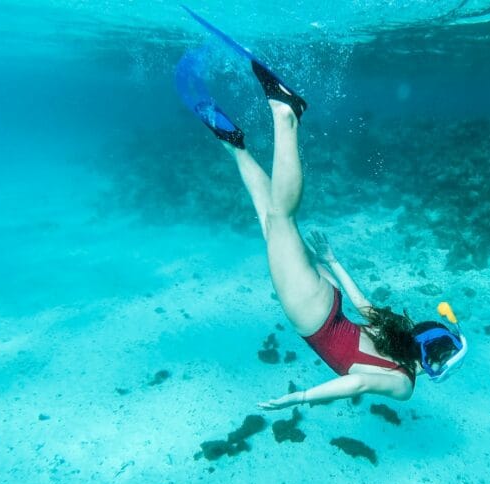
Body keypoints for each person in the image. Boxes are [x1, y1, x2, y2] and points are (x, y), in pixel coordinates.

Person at [176, 19, 467, 410]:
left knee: (271, 223)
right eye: (444, 360)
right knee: (280, 219)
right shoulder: (403, 384)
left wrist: (331, 261)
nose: (441, 368)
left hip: (326, 299)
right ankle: (286, 115)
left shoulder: (397, 335)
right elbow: (357, 383)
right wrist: (299, 397)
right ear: (428, 353)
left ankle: (234, 145)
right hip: (314, 315)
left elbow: (363, 305)